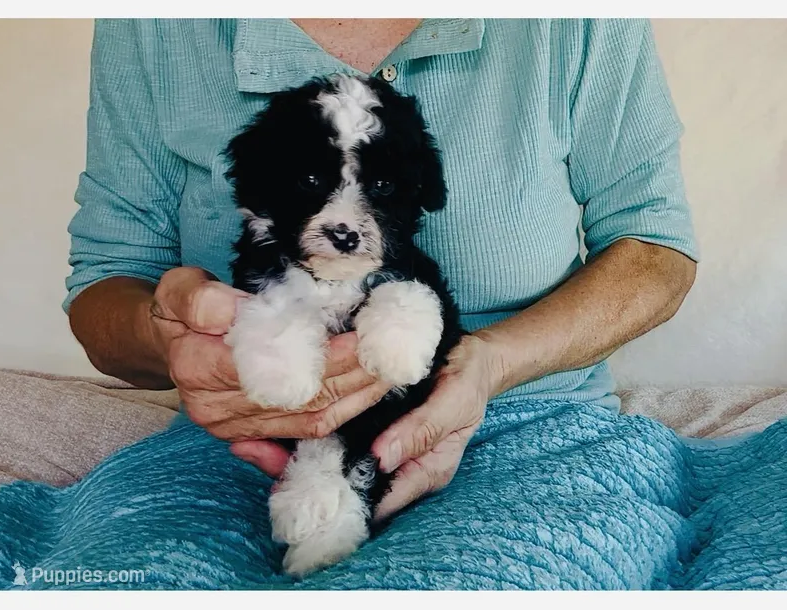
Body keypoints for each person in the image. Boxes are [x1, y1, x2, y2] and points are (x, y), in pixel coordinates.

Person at [65, 18, 697, 524]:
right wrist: (169, 338)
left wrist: (488, 365)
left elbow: (656, 252)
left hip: (528, 426)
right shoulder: (147, 27)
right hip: (238, 435)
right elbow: (108, 280)